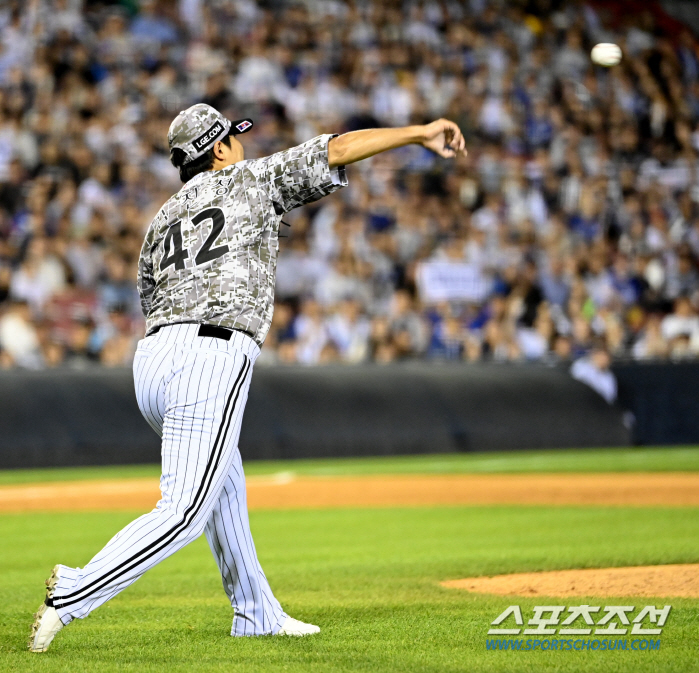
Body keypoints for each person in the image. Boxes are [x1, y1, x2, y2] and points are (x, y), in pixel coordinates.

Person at [29, 103, 466, 652]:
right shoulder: (249, 179)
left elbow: (149, 296)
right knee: (185, 511)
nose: (241, 145)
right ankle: (73, 591)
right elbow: (337, 148)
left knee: (224, 483)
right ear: (217, 149)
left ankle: (256, 612)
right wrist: (419, 132)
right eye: (233, 138)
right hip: (208, 354)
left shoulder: (161, 219)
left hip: (152, 361)